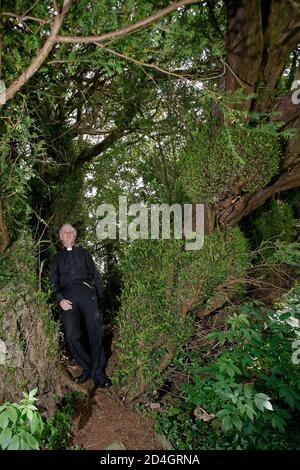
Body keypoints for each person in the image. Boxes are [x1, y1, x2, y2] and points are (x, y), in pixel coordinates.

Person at [50, 223, 112, 389]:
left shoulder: (84, 253)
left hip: (87, 294)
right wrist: (60, 299)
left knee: (95, 334)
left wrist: (98, 297)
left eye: (71, 232)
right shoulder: (57, 258)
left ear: (75, 236)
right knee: (71, 335)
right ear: (61, 237)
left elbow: (95, 275)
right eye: (65, 232)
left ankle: (99, 374)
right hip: (68, 299)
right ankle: (90, 368)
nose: (68, 234)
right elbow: (53, 283)